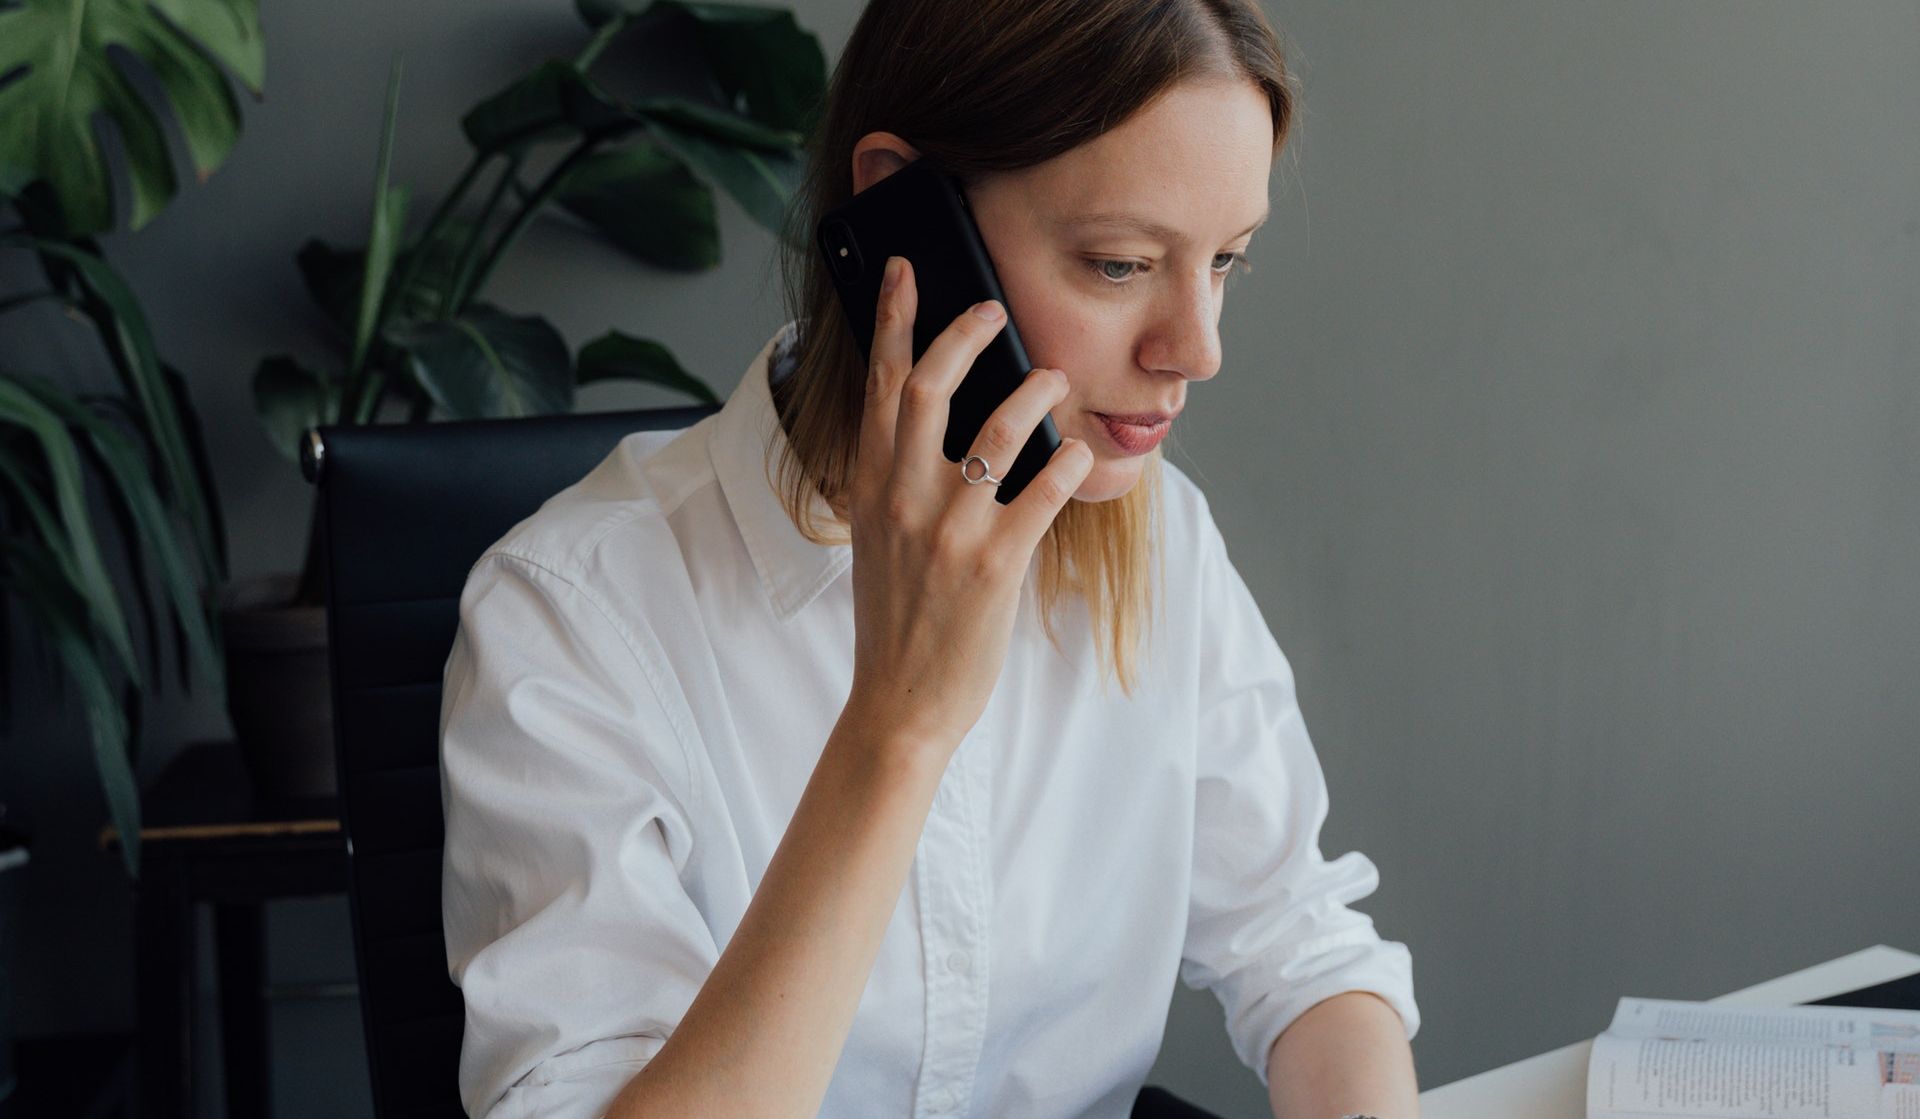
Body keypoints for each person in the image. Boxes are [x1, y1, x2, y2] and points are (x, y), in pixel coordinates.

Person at [437, 0, 1421, 1116]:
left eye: (1228, 261)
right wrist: (897, 730)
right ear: (901, 213)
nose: (1196, 348)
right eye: (1120, 264)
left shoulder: (1159, 538)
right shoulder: (571, 615)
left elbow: (1304, 952)